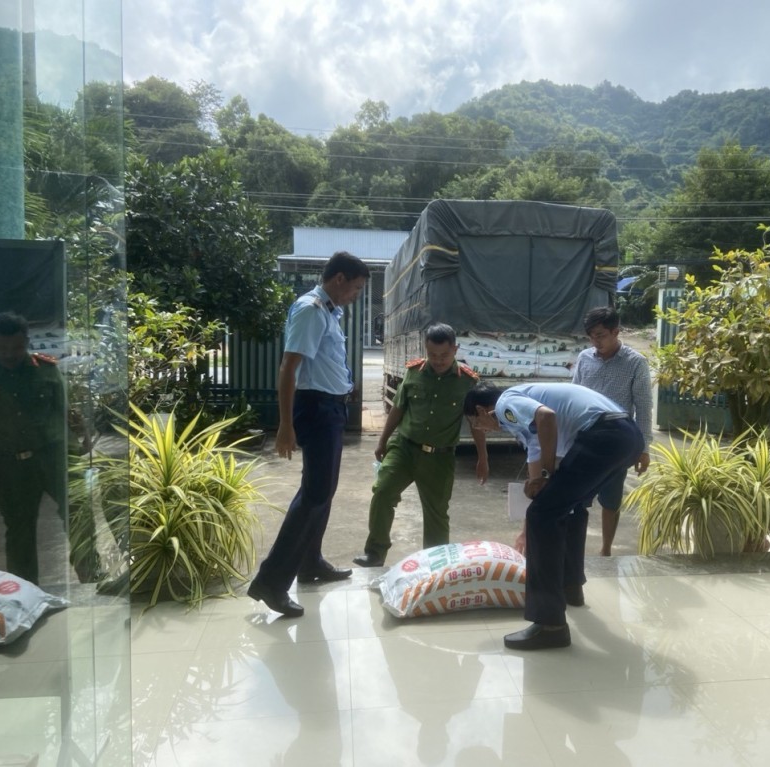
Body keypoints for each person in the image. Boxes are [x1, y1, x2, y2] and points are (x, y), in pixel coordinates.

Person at [464, 381, 643, 650]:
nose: (482, 430)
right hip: (627, 436)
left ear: (481, 410)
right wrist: (539, 486)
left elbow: (546, 416)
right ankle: (570, 587)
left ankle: (550, 625)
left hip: (604, 434)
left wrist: (546, 476)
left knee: (543, 516)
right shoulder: (522, 422)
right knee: (569, 506)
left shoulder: (504, 404)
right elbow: (537, 461)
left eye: (476, 424)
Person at [247, 251, 369, 618]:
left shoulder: (330, 309)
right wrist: (285, 425)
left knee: (322, 492)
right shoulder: (311, 309)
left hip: (330, 408)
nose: (357, 295)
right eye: (357, 288)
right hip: (315, 408)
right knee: (313, 494)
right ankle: (271, 583)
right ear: (340, 279)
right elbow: (289, 367)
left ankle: (310, 562)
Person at [353, 323, 489, 568]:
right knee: (383, 492)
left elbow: (476, 422)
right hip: (404, 447)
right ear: (426, 349)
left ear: (455, 349)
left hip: (440, 457)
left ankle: (434, 565)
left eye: (444, 355)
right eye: (433, 355)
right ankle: (375, 552)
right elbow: (398, 407)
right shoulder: (414, 372)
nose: (438, 361)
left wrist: (483, 458)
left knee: (436, 513)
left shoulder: (467, 381)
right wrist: (383, 440)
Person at [0, 311, 101, 584]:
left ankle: (91, 578)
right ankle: (26, 591)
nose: (10, 353)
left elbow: (65, 413)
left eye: (17, 347)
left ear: (26, 342)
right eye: (3, 347)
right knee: (19, 529)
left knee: (79, 512)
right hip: (10, 465)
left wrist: (81, 443)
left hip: (56, 456)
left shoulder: (46, 369)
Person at [571, 306, 653, 555]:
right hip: (585, 439)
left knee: (611, 499)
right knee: (577, 498)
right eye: (591, 336)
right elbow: (573, 397)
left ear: (616, 331)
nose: (596, 342)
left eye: (601, 335)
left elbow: (644, 407)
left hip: (618, 443)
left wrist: (644, 448)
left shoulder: (636, 363)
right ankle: (576, 549)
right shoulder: (585, 358)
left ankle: (606, 549)